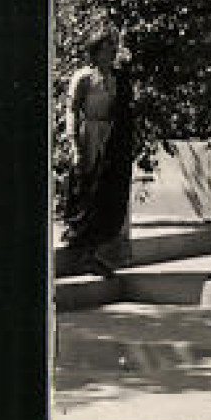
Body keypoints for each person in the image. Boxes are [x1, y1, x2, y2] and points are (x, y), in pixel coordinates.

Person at [59, 27, 135, 276]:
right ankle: (83, 247)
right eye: (106, 49)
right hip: (89, 134)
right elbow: (71, 110)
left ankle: (96, 253)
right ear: (95, 52)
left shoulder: (118, 77)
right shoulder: (83, 77)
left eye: (113, 48)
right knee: (86, 188)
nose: (112, 53)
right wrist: (74, 144)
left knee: (107, 192)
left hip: (111, 137)